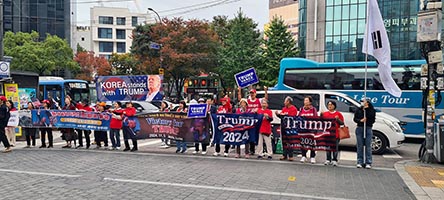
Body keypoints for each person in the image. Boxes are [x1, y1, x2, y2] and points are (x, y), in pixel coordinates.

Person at [238, 86, 268, 155]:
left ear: (255, 94)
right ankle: (251, 150)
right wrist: (239, 90)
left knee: (258, 135)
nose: (252, 94)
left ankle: (261, 150)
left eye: (253, 93)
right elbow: (240, 100)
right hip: (249, 122)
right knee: (250, 134)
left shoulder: (259, 100)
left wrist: (266, 91)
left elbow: (265, 99)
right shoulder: (248, 100)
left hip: (257, 121)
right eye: (250, 93)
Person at [353, 98, 376, 169]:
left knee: (368, 146)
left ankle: (368, 162)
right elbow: (355, 119)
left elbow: (372, 119)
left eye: (363, 101)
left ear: (367, 103)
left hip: (368, 128)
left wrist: (367, 110)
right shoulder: (359, 109)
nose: (362, 102)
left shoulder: (372, 110)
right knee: (360, 146)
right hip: (359, 128)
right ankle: (360, 161)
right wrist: (360, 120)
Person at [322, 101, 344, 166]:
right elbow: (321, 122)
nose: (330, 106)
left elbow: (342, 123)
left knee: (335, 148)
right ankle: (328, 159)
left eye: (331, 105)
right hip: (327, 133)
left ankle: (334, 159)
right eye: (328, 105)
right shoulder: (325, 114)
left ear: (334, 106)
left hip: (335, 133)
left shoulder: (338, 114)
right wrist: (321, 116)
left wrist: (337, 119)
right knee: (328, 148)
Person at [275, 96, 297, 161]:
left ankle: (290, 155)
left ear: (288, 102)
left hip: (290, 128)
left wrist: (283, 115)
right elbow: (282, 117)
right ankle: (284, 155)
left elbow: (292, 117)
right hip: (283, 127)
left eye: (285, 101)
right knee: (284, 141)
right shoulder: (284, 109)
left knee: (290, 142)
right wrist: (278, 115)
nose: (284, 102)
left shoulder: (293, 109)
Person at [298, 96, 318, 164]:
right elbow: (298, 117)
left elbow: (316, 118)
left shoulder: (313, 109)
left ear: (310, 102)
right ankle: (304, 156)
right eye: (304, 100)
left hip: (311, 130)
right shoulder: (301, 109)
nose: (305, 102)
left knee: (311, 143)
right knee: (303, 143)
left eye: (307, 100)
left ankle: (312, 157)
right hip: (303, 129)